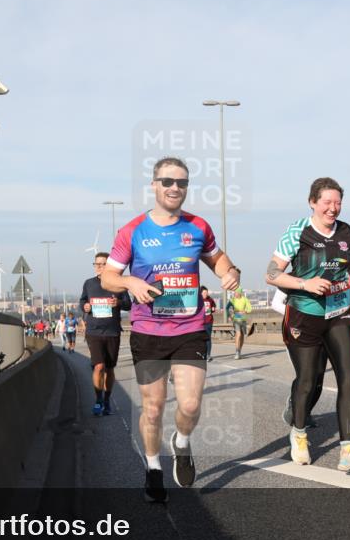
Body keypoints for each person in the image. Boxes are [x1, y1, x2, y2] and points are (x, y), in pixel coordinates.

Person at [102, 157, 241, 503]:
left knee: (190, 405)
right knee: (152, 408)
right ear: (154, 185)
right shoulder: (132, 231)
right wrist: (129, 280)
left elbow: (218, 259)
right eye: (167, 181)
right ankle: (152, 468)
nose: (174, 188)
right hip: (149, 330)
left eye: (181, 182)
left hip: (190, 327)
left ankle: (181, 441)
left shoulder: (198, 227)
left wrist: (231, 271)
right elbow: (108, 277)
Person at [266, 177, 350, 473]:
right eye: (327, 202)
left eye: (337, 203)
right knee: (309, 380)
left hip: (337, 313)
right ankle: (298, 434)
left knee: (348, 379)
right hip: (303, 314)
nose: (333, 208)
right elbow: (271, 274)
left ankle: (348, 450)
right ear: (312, 202)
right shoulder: (297, 231)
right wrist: (305, 283)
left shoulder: (346, 231)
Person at [81, 252, 132, 415]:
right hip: (93, 331)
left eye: (103, 264)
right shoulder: (89, 283)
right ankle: (98, 400)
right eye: (96, 264)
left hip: (112, 331)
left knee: (109, 368)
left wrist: (118, 302)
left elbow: (128, 305)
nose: (99, 267)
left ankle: (107, 399)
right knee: (98, 366)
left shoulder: (119, 284)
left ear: (109, 265)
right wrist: (85, 307)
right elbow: (82, 301)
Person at [272, 288, 321, 429]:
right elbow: (275, 303)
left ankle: (306, 411)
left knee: (318, 376)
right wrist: (301, 314)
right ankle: (296, 408)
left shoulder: (327, 275)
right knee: (305, 374)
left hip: (320, 330)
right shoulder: (289, 279)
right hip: (296, 330)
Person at [229, 288, 252, 359]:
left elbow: (250, 309)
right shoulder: (232, 300)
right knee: (238, 334)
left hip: (243, 320)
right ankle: (237, 351)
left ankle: (239, 351)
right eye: (234, 293)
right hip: (236, 319)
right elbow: (229, 308)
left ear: (239, 293)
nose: (234, 294)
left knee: (242, 336)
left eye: (236, 293)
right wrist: (231, 314)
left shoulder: (245, 299)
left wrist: (245, 311)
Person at [201, 286, 217, 361]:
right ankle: (203, 354)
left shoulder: (210, 299)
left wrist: (213, 309)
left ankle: (208, 355)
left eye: (206, 292)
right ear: (201, 293)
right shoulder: (198, 300)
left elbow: (213, 307)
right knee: (201, 339)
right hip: (200, 322)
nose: (206, 294)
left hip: (209, 321)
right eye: (204, 292)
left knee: (208, 338)